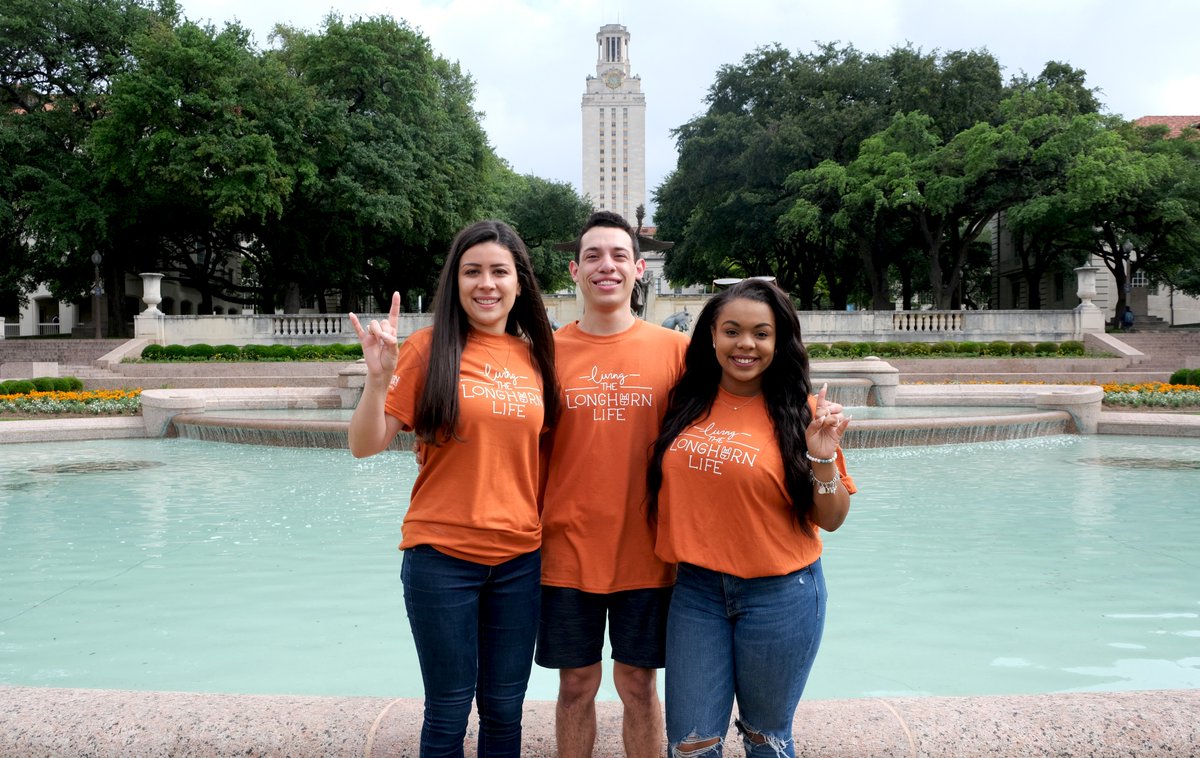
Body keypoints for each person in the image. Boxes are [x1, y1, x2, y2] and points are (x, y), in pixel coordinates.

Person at [348, 219, 560, 757]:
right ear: (455, 281)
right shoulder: (425, 350)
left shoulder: (538, 357)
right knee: (447, 712)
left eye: (498, 271)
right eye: (472, 272)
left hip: (519, 558)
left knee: (505, 711)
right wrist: (377, 380)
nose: (486, 284)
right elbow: (364, 444)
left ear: (519, 283)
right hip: (441, 557)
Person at [646, 278, 855, 757]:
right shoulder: (684, 403)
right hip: (697, 594)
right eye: (732, 331)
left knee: (766, 738)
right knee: (690, 745)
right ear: (712, 337)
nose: (746, 344)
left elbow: (834, 518)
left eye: (761, 333)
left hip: (781, 595)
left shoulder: (803, 413)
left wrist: (821, 458)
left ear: (779, 342)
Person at [537, 211, 689, 757]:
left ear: (640, 268)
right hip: (566, 551)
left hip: (646, 552)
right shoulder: (545, 353)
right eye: (595, 256)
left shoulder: (676, 353)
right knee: (575, 685)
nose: (607, 266)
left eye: (619, 256)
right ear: (575, 270)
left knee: (638, 685)